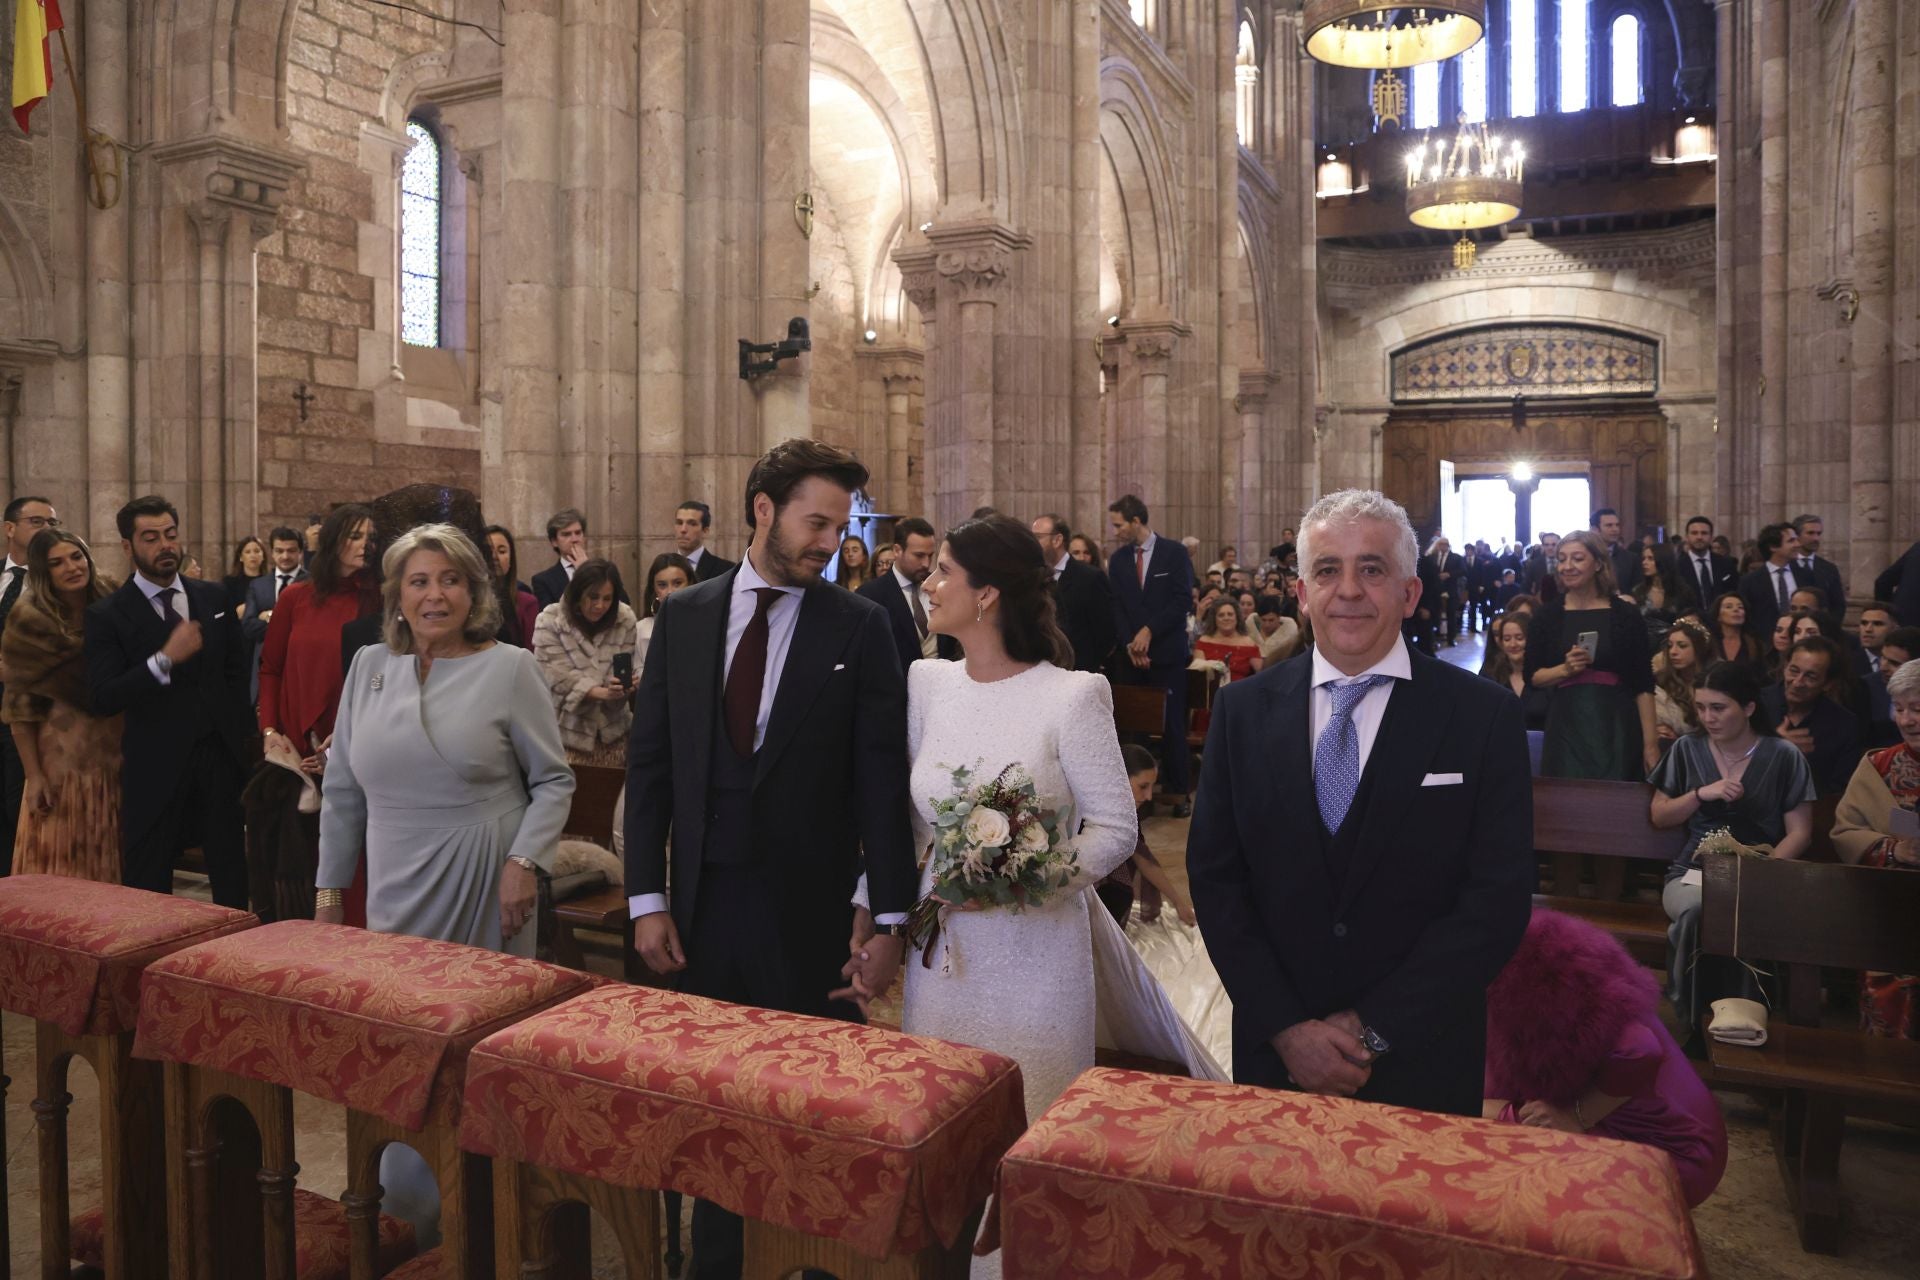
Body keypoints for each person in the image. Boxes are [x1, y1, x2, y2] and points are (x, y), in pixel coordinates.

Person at [623, 439, 917, 1280]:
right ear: (763, 509)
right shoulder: (684, 616)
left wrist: (889, 917)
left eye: (839, 525)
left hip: (810, 918)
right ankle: (713, 1264)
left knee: (807, 1113)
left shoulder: (858, 627)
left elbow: (879, 784)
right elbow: (650, 770)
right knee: (708, 1107)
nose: (830, 542)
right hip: (699, 915)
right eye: (815, 522)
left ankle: (807, 1267)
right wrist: (647, 898)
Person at [1188, 488, 1533, 1115]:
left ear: (1409, 593)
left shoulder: (1482, 716)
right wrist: (1288, 1028)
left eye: (1371, 569)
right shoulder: (1242, 712)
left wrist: (1374, 1030)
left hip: (1421, 1053)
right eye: (1327, 570)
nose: (1348, 589)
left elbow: (1497, 900)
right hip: (1277, 1054)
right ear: (1301, 593)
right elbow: (1216, 880)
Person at [317, 523, 573, 1246]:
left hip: (486, 877)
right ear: (396, 596)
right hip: (394, 878)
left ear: (475, 591)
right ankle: (408, 1214)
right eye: (420, 581)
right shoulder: (369, 665)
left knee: (475, 1054)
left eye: (452, 580)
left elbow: (554, 780)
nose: (437, 595)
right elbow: (341, 791)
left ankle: (490, 1217)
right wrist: (329, 895)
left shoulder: (510, 668)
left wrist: (525, 863)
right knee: (399, 1046)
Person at [1483, 910, 1727, 1208]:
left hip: (1671, 1156)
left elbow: (1640, 1049)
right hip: (1632, 1119)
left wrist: (1577, 1116)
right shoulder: (1541, 964)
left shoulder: (1543, 989)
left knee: (1497, 1127)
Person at [85, 496, 252, 906]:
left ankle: (234, 963)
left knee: (231, 873)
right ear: (128, 547)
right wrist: (163, 660)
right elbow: (103, 697)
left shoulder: (212, 597)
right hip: (156, 763)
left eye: (171, 535)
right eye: (151, 537)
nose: (165, 546)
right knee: (149, 881)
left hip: (219, 755)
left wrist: (245, 742)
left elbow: (235, 674)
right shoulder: (107, 615)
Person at [1650, 661, 1815, 1041]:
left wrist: (1762, 873)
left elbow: (1801, 832)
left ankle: (1743, 1018)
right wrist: (1698, 794)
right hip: (1693, 871)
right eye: (1701, 707)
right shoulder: (1686, 749)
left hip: (1761, 869)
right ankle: (1691, 1019)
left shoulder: (1784, 755)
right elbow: (1659, 815)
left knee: (1739, 910)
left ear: (1750, 707)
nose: (1708, 717)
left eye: (1719, 708)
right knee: (1695, 911)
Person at [255, 505, 375, 917]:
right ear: (332, 542)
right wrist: (270, 729)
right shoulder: (295, 597)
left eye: (369, 538)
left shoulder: (376, 598)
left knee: (354, 857)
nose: (364, 545)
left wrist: (343, 740)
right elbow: (270, 668)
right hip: (296, 744)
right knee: (300, 852)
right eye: (355, 536)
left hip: (350, 742)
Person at [1, 529, 121, 880]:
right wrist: (34, 775)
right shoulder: (29, 619)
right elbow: (19, 708)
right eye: (57, 563)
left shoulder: (111, 599)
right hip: (61, 756)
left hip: (113, 747)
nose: (71, 567)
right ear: (42, 571)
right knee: (63, 861)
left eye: (76, 556)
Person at [1830, 660, 1920, 1037]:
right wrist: (1894, 851)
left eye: (1917, 708)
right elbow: (1845, 830)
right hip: (1890, 911)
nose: (1907, 720)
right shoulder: (1878, 765)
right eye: (1899, 709)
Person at [1526, 530, 1658, 780]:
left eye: (1577, 558)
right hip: (1566, 723)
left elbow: (1643, 683)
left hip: (1615, 720)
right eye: (1562, 559)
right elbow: (1532, 676)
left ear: (1598, 563)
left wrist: (1650, 743)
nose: (1567, 566)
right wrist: (1564, 670)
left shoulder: (1625, 614)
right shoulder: (1547, 615)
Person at [1108, 495, 1195, 814]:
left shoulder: (1174, 553)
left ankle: (1179, 791)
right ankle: (1136, 795)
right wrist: (1131, 641)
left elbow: (1181, 600)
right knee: (1134, 725)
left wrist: (1149, 633)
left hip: (1166, 653)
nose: (1115, 530)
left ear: (1135, 521)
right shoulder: (1118, 561)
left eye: (1118, 524)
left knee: (1172, 725)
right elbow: (1116, 605)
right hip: (1131, 655)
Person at [1, 494, 58, 876]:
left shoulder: (56, 585)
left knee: (17, 811)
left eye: (53, 523)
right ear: (10, 529)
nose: (48, 530)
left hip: (29, 717)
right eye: (38, 522)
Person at [533, 558, 639, 760]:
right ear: (578, 593)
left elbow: (625, 669)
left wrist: (623, 687)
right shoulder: (550, 620)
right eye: (593, 596)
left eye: (607, 599)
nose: (600, 605)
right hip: (565, 735)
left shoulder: (624, 619)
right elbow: (553, 675)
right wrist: (599, 692)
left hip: (614, 734)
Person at [1095, 745, 1197, 928]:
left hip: (1107, 895)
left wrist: (1178, 902)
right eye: (1143, 786)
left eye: (1151, 787)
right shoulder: (1090, 811)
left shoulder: (1128, 815)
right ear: (1120, 779)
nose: (1149, 796)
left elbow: (1144, 860)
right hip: (1083, 896)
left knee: (1121, 894)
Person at [1760, 636, 1863, 797]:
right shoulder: (1754, 705)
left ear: (1828, 683)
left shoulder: (1844, 725)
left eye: (1810, 676)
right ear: (1784, 667)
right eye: (1793, 671)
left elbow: (1840, 791)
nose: (1797, 682)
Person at [857, 516, 958, 672]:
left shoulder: (941, 585)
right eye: (919, 555)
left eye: (930, 555)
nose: (926, 563)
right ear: (897, 551)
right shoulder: (870, 595)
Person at [1033, 513, 1117, 674]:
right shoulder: (1034, 576)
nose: (1033, 543)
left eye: (1038, 537)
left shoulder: (1089, 577)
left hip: (1078, 670)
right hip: (1042, 670)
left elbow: (1106, 631)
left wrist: (1089, 663)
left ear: (1057, 540)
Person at [530, 508, 629, 610]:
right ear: (554, 541)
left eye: (578, 533)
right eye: (566, 534)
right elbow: (548, 616)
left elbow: (624, 605)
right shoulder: (543, 580)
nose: (574, 539)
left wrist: (588, 570)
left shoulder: (607, 570)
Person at [1480, 611, 1549, 731]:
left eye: (1519, 638)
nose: (1513, 644)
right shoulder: (1490, 674)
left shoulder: (1548, 673)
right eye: (1507, 639)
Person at [1739, 522, 1804, 643]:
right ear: (1773, 547)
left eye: (1797, 540)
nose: (1798, 544)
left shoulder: (1805, 575)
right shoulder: (1749, 581)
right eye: (1791, 541)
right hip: (1765, 646)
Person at [1654, 618, 1712, 744]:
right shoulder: (1660, 683)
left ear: (1698, 649)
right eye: (1670, 646)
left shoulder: (1715, 680)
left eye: (1682, 646)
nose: (1673, 652)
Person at [636, 552, 694, 675]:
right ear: (654, 589)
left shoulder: (706, 623)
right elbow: (638, 670)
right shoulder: (641, 629)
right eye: (662, 585)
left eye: (677, 583)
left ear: (691, 583)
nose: (670, 592)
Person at [484, 524, 540, 648]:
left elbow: (531, 652)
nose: (495, 557)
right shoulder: (467, 599)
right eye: (488, 551)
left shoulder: (527, 602)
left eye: (502, 551)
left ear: (511, 560)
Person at [1789, 514, 1847, 615]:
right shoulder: (1786, 566)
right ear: (1797, 536)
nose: (1816, 538)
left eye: (1819, 533)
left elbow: (1838, 605)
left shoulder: (1829, 568)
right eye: (1810, 533)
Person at [1193, 599, 1261, 684]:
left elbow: (1261, 672)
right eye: (1221, 615)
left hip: (1240, 691)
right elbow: (1197, 673)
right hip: (1210, 691)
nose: (1226, 618)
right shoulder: (1204, 641)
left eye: (1230, 614)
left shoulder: (1248, 643)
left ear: (1237, 617)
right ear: (1214, 619)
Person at [1680, 516, 1738, 612]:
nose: (1699, 537)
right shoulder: (1677, 567)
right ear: (1687, 537)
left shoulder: (1726, 564)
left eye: (1704, 533)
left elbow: (1734, 593)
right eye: (1694, 533)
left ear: (1711, 537)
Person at [673, 500, 736, 582]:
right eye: (679, 522)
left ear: (705, 531)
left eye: (692, 524)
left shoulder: (726, 570)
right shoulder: (663, 568)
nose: (683, 529)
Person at [1707, 592, 1762, 669]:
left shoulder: (1754, 643)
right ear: (1718, 615)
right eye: (1729, 607)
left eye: (1740, 607)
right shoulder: (1709, 642)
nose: (1736, 609)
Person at [1592, 507, 1640, 595]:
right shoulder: (1586, 556)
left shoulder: (1631, 559)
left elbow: (1637, 592)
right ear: (1595, 529)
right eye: (1609, 525)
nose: (1615, 529)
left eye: (1617, 525)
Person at [1252, 595, 1301, 667]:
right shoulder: (1251, 625)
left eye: (1271, 620)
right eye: (1263, 620)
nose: (1267, 624)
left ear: (1278, 618)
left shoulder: (1289, 630)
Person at [223, 536, 266, 615]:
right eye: (248, 552)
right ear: (241, 557)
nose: (252, 555)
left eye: (257, 551)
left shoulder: (270, 581)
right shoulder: (229, 582)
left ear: (263, 556)